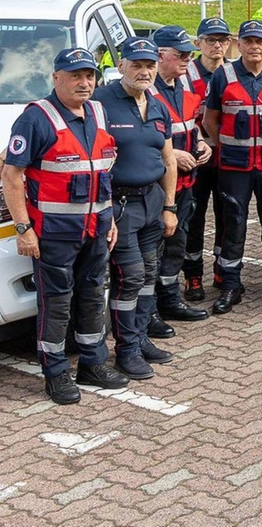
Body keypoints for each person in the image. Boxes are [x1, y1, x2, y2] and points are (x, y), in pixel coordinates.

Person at [2, 48, 130, 403]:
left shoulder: (98, 112)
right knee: (56, 304)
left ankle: (93, 363)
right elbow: (11, 177)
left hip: (96, 229)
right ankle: (56, 373)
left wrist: (109, 219)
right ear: (56, 78)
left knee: (91, 299)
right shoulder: (36, 119)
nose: (84, 83)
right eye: (75, 76)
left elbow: (101, 171)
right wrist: (24, 230)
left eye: (89, 76)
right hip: (53, 235)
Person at [94, 37, 179, 379]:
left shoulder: (157, 104)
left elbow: (168, 159)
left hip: (152, 201)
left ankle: (140, 337)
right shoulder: (101, 102)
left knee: (148, 275)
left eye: (149, 66)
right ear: (121, 67)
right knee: (129, 277)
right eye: (136, 65)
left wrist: (169, 205)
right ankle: (125, 350)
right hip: (120, 204)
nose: (144, 72)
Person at [202, 20, 262, 313]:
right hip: (235, 167)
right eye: (249, 41)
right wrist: (230, 145)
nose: (255, 47)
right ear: (238, 44)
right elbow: (210, 121)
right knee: (233, 224)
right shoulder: (222, 77)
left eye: (260, 42)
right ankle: (230, 286)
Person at [147, 27, 211, 336]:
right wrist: (175, 156)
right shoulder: (147, 92)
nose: (188, 59)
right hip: (156, 187)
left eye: (189, 54)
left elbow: (193, 126)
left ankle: (170, 299)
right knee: (153, 249)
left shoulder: (186, 88)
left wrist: (201, 145)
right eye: (181, 54)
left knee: (177, 243)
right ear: (160, 55)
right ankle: (150, 310)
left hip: (185, 184)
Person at [183, 17, 233, 302]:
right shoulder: (186, 74)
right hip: (197, 156)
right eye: (210, 40)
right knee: (194, 215)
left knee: (227, 214)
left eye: (222, 40)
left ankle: (221, 268)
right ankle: (192, 274)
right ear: (197, 43)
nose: (217, 46)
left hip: (226, 154)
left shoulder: (232, 71)